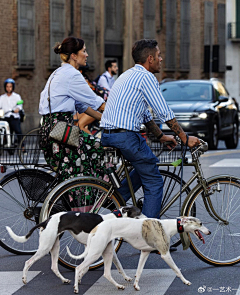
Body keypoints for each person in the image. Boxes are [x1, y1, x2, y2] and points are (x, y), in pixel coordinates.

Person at [100, 39, 200, 219]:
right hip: (126, 136)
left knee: (145, 165)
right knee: (154, 181)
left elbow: (145, 114)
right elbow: (164, 112)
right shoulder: (147, 77)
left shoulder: (126, 75)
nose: (161, 59)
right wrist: (184, 138)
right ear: (150, 59)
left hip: (108, 134)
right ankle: (149, 237)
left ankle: (117, 198)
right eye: (159, 55)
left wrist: (161, 136)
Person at [39, 37, 106, 195]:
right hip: (62, 134)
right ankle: (100, 197)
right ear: (74, 56)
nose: (87, 54)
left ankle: (95, 196)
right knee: (97, 149)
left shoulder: (59, 72)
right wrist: (121, 116)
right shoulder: (72, 75)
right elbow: (96, 101)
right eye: (84, 51)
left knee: (79, 165)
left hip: (51, 131)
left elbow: (82, 106)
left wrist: (104, 118)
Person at [0, 78, 24, 145]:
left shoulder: (17, 96)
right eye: (7, 86)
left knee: (18, 131)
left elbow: (19, 105)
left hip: (14, 117)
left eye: (10, 86)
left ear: (13, 87)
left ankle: (23, 147)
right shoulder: (2, 97)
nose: (9, 88)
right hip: (5, 117)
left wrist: (17, 109)